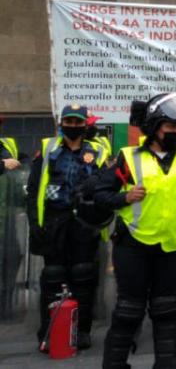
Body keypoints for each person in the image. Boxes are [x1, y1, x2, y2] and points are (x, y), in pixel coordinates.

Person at [95, 93, 176, 369]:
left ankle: (166, 364)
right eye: (170, 126)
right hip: (133, 244)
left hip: (174, 245)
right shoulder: (128, 158)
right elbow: (99, 194)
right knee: (129, 310)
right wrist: (124, 198)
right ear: (154, 126)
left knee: (166, 307)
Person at [26, 104, 109, 351]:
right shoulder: (47, 148)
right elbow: (33, 190)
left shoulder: (98, 152)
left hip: (84, 224)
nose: (73, 126)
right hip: (54, 222)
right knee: (53, 278)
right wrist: (34, 223)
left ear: (85, 125)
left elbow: (107, 188)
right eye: (68, 122)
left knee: (84, 277)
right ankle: (50, 333)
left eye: (77, 122)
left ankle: (81, 331)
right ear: (61, 123)